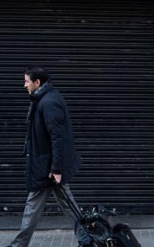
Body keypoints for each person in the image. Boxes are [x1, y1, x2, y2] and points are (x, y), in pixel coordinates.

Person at [5, 66, 92, 247]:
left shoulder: (48, 102)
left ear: (38, 82)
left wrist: (57, 169)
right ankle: (87, 239)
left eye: (27, 81)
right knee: (69, 205)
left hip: (47, 168)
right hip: (46, 164)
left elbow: (58, 138)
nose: (24, 85)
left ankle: (18, 245)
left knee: (33, 207)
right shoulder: (43, 98)